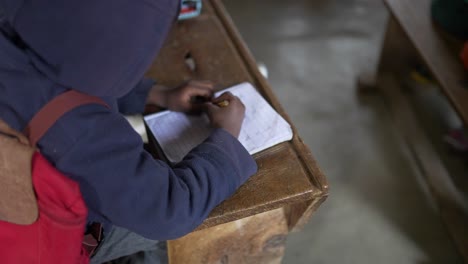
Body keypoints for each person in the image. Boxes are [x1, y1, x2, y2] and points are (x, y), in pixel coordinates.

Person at [0, 0, 257, 263]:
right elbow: (168, 211)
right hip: (50, 236)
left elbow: (60, 72)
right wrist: (226, 138)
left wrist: (155, 95)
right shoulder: (78, 132)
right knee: (189, 231)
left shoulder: (16, 27)